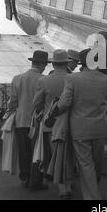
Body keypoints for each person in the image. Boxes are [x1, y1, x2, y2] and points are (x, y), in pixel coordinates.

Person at [56, 48, 107, 200]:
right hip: (100, 127)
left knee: (86, 164)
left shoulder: (72, 79)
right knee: (97, 163)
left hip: (80, 128)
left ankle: (93, 197)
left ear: (82, 62)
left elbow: (65, 103)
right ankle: (93, 191)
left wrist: (56, 110)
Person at [33, 49, 75, 199]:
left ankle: (63, 188)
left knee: (56, 157)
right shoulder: (74, 78)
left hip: (51, 124)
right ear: (66, 63)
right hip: (70, 123)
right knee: (68, 156)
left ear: (53, 64)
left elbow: (36, 103)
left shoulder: (43, 81)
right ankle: (68, 184)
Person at [7, 50, 48, 190]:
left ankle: (25, 177)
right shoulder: (43, 79)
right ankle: (36, 180)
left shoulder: (17, 78)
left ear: (32, 62)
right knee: (37, 152)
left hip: (21, 120)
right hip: (37, 122)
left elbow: (12, 102)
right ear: (42, 65)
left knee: (23, 151)